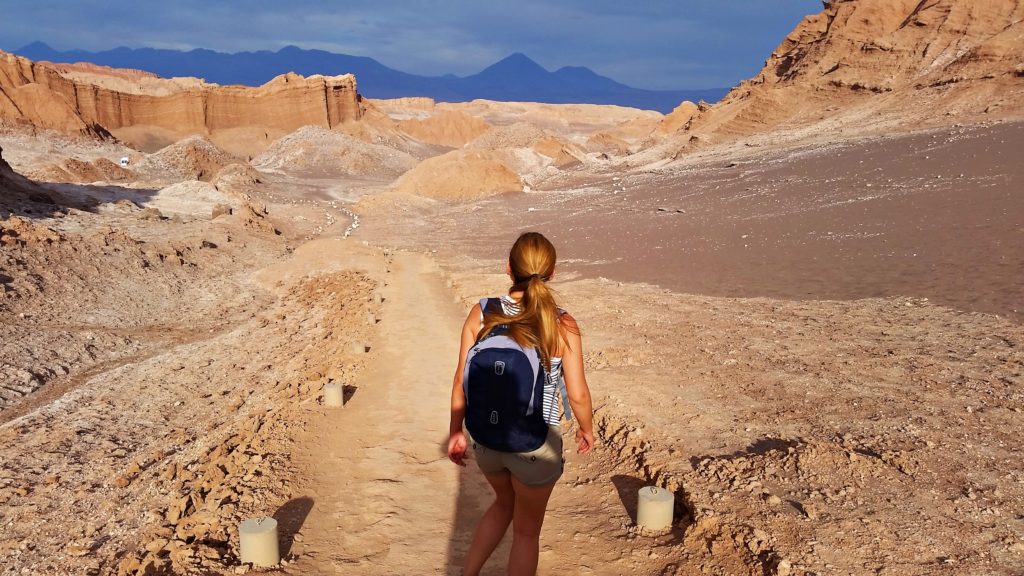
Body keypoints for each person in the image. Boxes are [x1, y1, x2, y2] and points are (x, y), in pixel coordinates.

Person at [448, 231, 595, 576]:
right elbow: (578, 394)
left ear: (507, 268)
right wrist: (586, 429)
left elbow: (459, 381)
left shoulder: (481, 313)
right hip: (536, 445)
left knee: (502, 504)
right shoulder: (562, 323)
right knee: (526, 533)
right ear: (553, 273)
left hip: (486, 441)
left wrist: (455, 432)